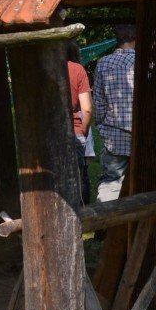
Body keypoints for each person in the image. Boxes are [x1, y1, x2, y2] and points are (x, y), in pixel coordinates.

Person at [90, 23, 137, 203]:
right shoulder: (146, 62)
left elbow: (99, 102)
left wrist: (101, 125)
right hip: (141, 134)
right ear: (135, 39)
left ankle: (105, 224)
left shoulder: (103, 63)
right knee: (148, 181)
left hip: (113, 133)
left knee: (111, 180)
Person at [65, 45, 93, 200]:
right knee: (79, 180)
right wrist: (84, 130)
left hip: (48, 136)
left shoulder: (38, 69)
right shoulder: (77, 69)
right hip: (75, 132)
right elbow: (87, 109)